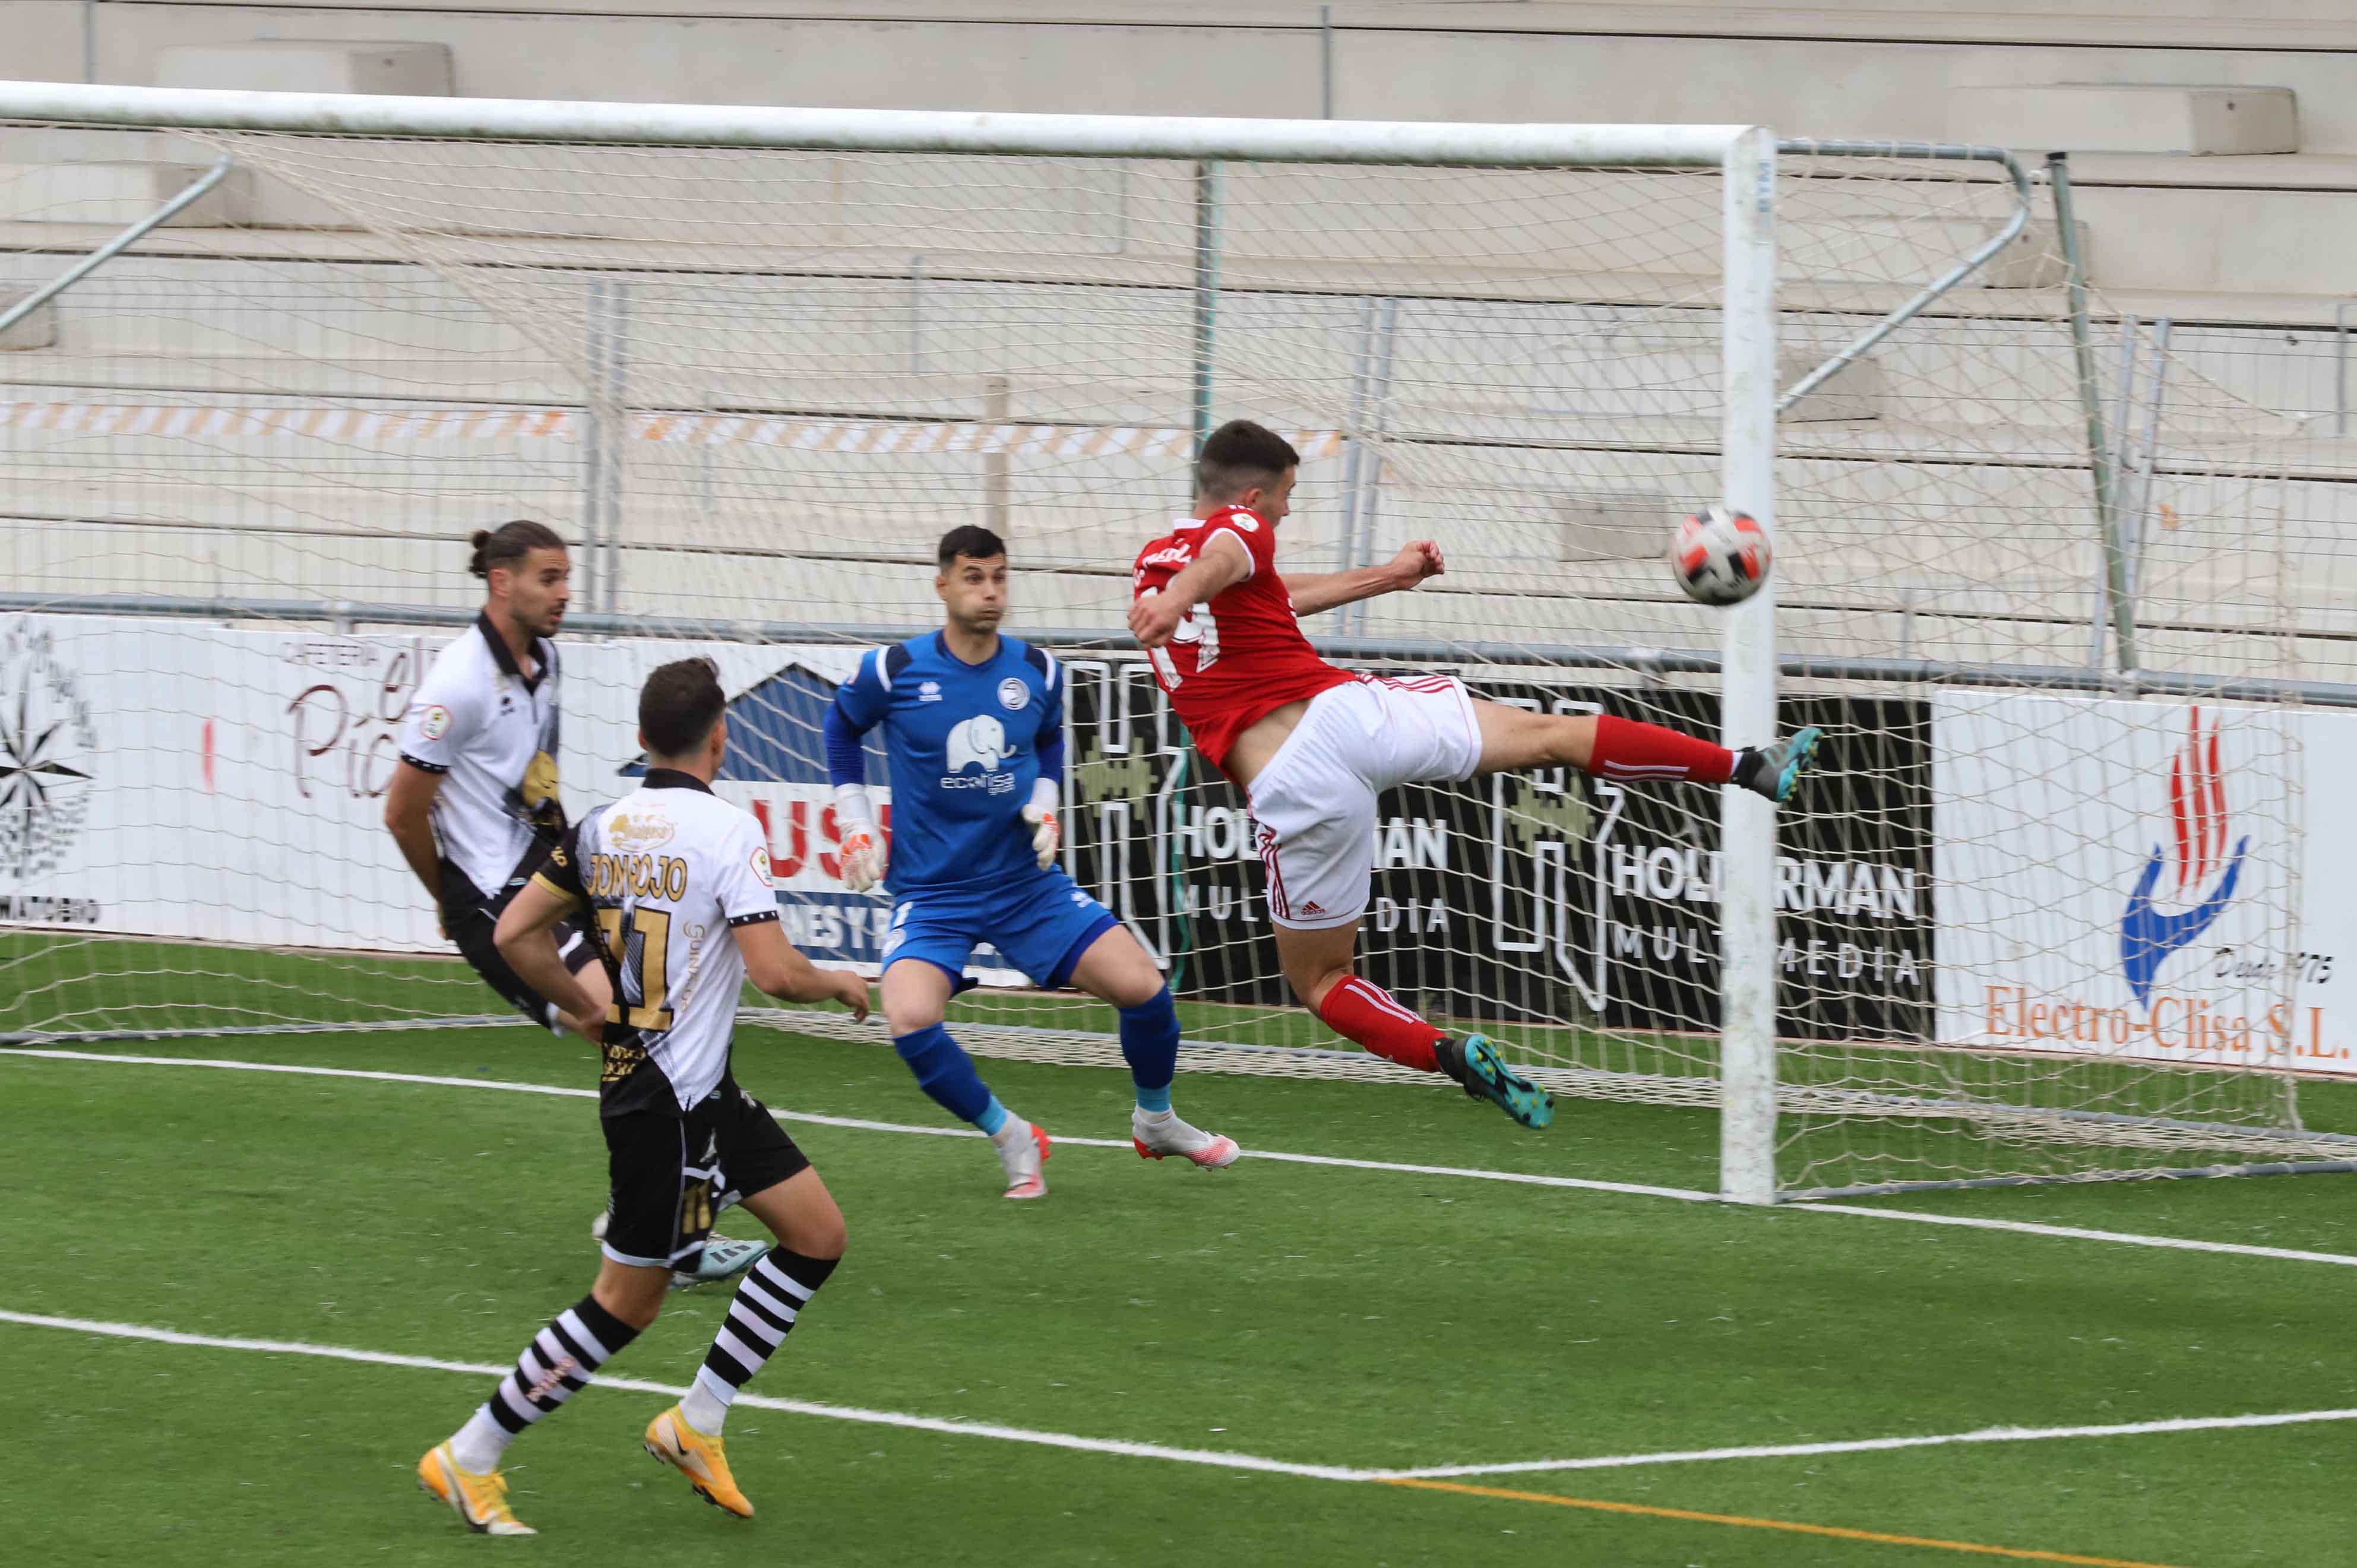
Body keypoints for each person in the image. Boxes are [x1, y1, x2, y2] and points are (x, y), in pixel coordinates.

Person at [1128, 420, 1822, 1129]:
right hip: (1350, 718)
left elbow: (1262, 588)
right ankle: (1747, 766)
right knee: (1553, 735)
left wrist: (1388, 577)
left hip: (1291, 782)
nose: (1286, 510)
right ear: (1252, 491)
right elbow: (1226, 553)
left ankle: (1452, 1054)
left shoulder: (1153, 562)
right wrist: (1184, 594)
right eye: (1287, 496)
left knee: (1322, 979)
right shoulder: (1238, 531)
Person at [417, 657, 874, 1535]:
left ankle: (695, 1423)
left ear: (639, 740)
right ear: (720, 736)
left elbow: (514, 929)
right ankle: (469, 1455)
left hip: (697, 1093)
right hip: (668, 1106)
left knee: (816, 1234)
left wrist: (583, 1003)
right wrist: (839, 982)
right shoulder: (728, 831)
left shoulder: (602, 826)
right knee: (627, 1302)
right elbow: (776, 973)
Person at [386, 521, 763, 1288]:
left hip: (549, 879)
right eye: (549, 578)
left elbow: (535, 785)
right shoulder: (456, 684)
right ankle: (662, 1231)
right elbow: (401, 811)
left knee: (659, 1033)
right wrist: (449, 901)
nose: (565, 592)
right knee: (632, 1031)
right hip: (496, 902)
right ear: (501, 581)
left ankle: (654, 1222)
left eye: (566, 577)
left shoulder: (544, 660)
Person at [823, 525, 1236, 1199]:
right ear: (943, 585)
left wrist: (1046, 803)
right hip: (933, 896)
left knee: (1144, 988)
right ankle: (1010, 1133)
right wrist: (856, 824)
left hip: (1025, 886)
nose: (990, 591)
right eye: (974, 577)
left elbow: (1048, 737)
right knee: (909, 1019)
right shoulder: (893, 670)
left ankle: (1155, 1118)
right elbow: (840, 729)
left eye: (999, 576)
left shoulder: (1038, 670)